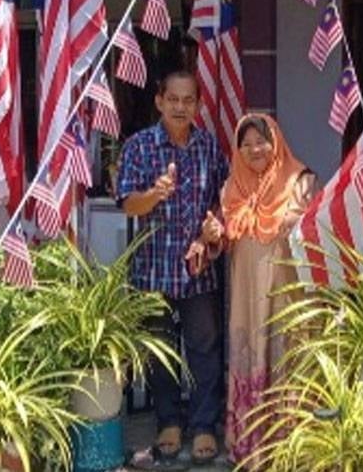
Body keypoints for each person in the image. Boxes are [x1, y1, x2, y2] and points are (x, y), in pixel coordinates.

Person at [116, 70, 229, 465]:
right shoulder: (139, 146)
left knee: (204, 348)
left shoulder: (209, 148)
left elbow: (224, 198)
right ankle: (168, 422)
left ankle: (202, 427)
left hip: (199, 270)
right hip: (153, 269)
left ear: (198, 105)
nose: (181, 107)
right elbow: (128, 203)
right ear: (160, 102)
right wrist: (154, 195)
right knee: (160, 351)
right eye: (174, 99)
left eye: (189, 100)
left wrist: (214, 224)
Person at [216, 114, 318, 466]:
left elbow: (306, 226)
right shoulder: (232, 187)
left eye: (262, 141)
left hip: (286, 289)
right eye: (246, 144)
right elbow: (225, 232)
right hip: (246, 292)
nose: (255, 149)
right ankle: (252, 445)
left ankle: (290, 446)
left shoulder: (299, 180)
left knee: (285, 350)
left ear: (276, 142)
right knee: (251, 351)